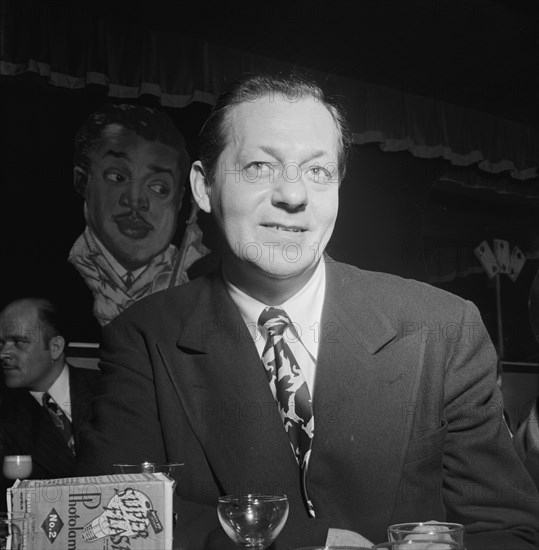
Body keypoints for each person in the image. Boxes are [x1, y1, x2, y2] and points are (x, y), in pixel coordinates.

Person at [76, 74, 539, 549]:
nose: (293, 196)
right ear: (203, 187)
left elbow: (509, 531)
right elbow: (112, 515)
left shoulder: (443, 329)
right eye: (259, 166)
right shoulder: (142, 339)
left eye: (317, 172)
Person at [68, 103, 206, 326]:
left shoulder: (196, 283)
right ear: (82, 181)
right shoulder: (64, 273)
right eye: (117, 177)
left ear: (180, 199)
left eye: (159, 188)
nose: (136, 201)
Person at [0, 297, 100, 509]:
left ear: (55, 347)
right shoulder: (6, 414)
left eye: (18, 342)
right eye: (1, 343)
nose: (4, 353)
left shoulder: (109, 390)